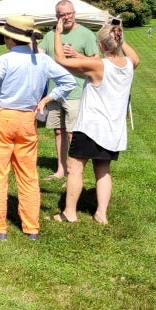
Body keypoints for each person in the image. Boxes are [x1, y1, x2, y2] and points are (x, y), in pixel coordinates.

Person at [0, 16, 75, 241]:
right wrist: (47, 99)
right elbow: (68, 82)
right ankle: (31, 228)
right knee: (28, 175)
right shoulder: (41, 60)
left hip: (3, 118)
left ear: (9, 38)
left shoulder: (5, 60)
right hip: (28, 120)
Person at [50, 18, 140, 225]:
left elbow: (60, 60)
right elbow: (134, 56)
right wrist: (118, 33)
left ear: (100, 45)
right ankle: (101, 214)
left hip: (90, 128)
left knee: (74, 168)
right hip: (113, 130)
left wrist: (57, 33)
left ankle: (69, 213)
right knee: (103, 170)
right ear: (118, 42)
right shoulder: (129, 65)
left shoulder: (98, 66)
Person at [38, 0, 99, 181]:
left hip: (76, 92)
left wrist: (76, 55)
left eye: (68, 13)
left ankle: (74, 173)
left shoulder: (86, 34)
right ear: (56, 16)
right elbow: (40, 55)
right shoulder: (50, 35)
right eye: (62, 15)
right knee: (59, 131)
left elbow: (96, 61)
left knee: (73, 133)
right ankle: (61, 170)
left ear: (74, 13)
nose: (66, 17)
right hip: (54, 92)